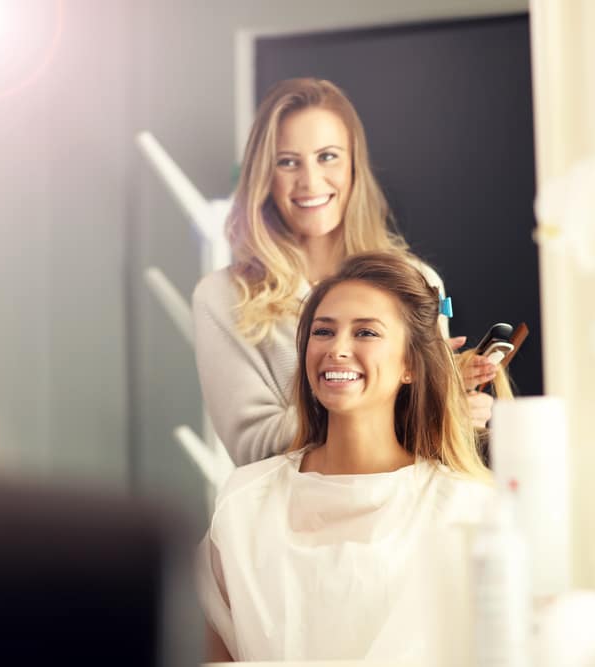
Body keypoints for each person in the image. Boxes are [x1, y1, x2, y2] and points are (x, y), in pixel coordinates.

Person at [197, 252, 493, 662]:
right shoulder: (245, 503)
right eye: (323, 331)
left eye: (366, 333)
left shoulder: (464, 508)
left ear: (410, 364)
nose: (337, 349)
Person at [193, 77, 497, 466]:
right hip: (290, 519)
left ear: (355, 163)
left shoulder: (418, 281)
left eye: (328, 156)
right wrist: (368, 393)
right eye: (287, 162)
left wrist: (452, 409)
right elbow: (253, 450)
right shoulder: (223, 297)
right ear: (264, 176)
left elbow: (430, 447)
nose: (310, 181)